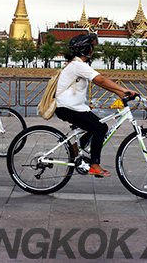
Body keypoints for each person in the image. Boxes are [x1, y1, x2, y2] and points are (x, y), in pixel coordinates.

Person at [54, 33, 136, 178]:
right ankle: (94, 165)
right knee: (99, 128)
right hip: (68, 108)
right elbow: (101, 79)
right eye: (91, 47)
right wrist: (124, 89)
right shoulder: (77, 65)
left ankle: (73, 151)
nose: (93, 49)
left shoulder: (77, 65)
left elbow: (98, 82)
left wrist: (118, 93)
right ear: (85, 49)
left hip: (73, 107)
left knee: (98, 126)